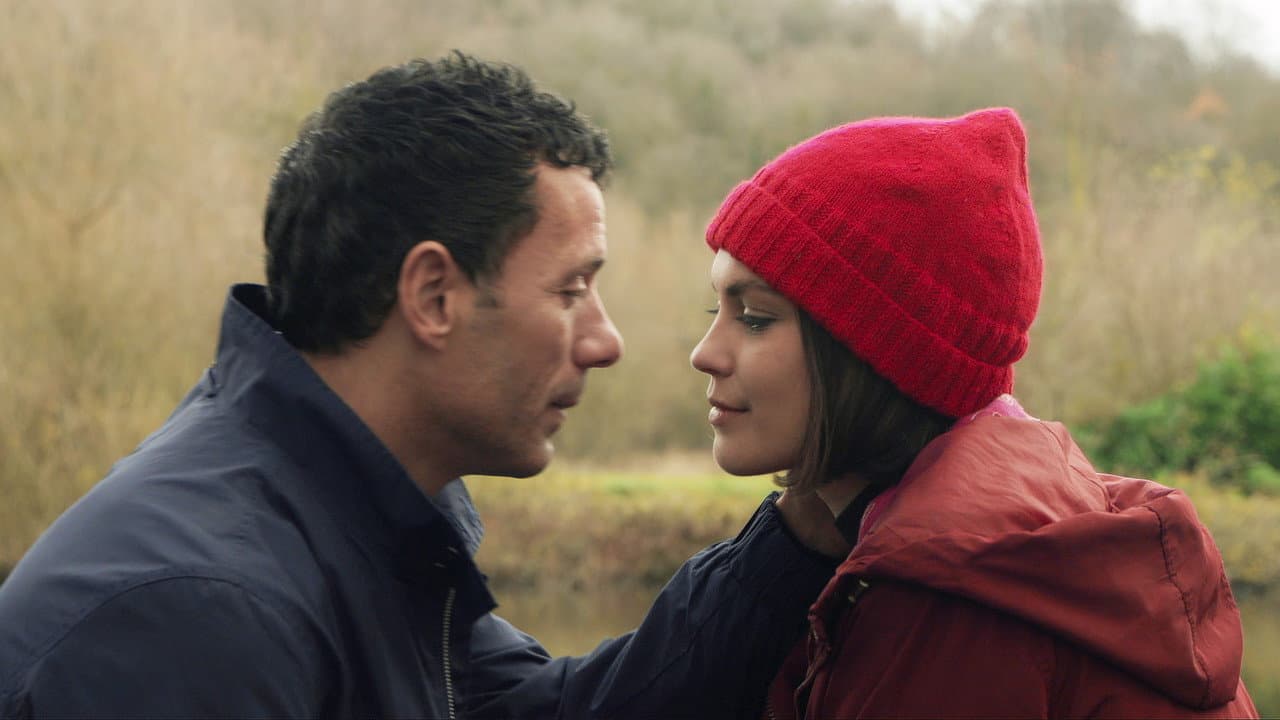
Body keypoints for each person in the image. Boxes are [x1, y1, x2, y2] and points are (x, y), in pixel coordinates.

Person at [0, 52, 845, 719]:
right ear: (434, 297)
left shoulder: (353, 529)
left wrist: (800, 532)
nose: (605, 341)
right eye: (570, 290)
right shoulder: (197, 616)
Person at [690, 108, 1259, 718]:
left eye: (755, 318)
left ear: (874, 351)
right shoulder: (1006, 538)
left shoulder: (946, 598)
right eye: (716, 313)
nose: (704, 354)